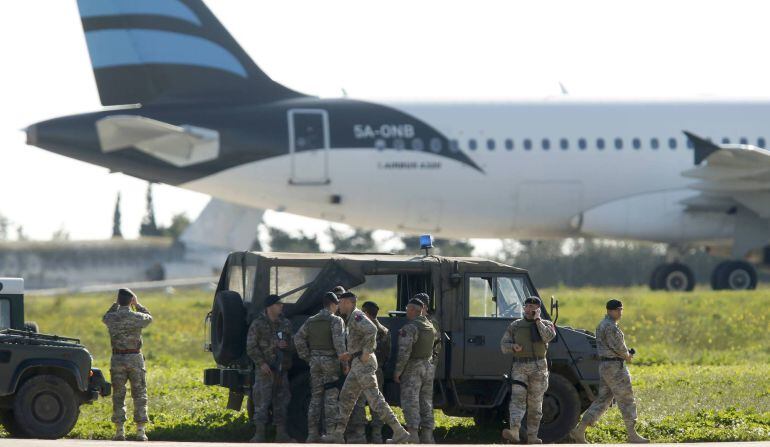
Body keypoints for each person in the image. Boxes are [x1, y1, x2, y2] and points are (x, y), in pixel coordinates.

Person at [321, 291, 411, 444]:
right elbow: (360, 340)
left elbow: (372, 329)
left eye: (341, 303)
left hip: (364, 365)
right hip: (357, 364)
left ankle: (399, 431)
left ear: (349, 303)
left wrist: (366, 353)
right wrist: (351, 354)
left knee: (375, 399)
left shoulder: (357, 316)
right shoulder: (350, 319)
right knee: (346, 397)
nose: (339, 306)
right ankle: (338, 434)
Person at [571, 299, 649, 444]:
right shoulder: (610, 327)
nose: (620, 312)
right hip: (615, 367)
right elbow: (618, 348)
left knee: (602, 400)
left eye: (621, 309)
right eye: (617, 310)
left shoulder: (603, 325)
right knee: (626, 399)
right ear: (609, 311)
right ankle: (632, 434)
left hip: (606, 366)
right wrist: (627, 355)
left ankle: (580, 430)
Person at [500, 296, 556, 444]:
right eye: (528, 306)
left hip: (539, 368)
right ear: (524, 307)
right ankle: (515, 431)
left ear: (538, 308)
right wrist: (513, 346)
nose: (531, 308)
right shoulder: (516, 325)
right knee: (517, 399)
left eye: (534, 306)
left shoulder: (547, 324)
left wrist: (538, 321)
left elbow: (548, 337)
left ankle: (532, 437)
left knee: (536, 403)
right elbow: (503, 345)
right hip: (520, 367)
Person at [294, 292, 347, 442]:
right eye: (337, 304)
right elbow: (339, 344)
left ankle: (312, 434)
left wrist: (308, 357)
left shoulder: (311, 320)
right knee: (331, 397)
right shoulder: (336, 320)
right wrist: (344, 363)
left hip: (315, 362)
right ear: (332, 304)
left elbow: (298, 338)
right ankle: (330, 434)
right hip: (330, 362)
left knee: (315, 397)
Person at [102, 288, 153, 441]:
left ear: (119, 301)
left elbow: (104, 317)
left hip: (117, 358)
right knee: (139, 394)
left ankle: (119, 431)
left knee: (118, 394)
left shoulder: (112, 317)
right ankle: (140, 431)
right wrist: (137, 305)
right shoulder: (137, 317)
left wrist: (115, 305)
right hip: (135, 358)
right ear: (131, 300)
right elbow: (149, 318)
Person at [245, 294, 295, 443]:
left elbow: (293, 344)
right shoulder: (258, 324)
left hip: (281, 370)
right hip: (265, 371)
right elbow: (251, 346)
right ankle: (259, 435)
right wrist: (261, 363)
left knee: (282, 402)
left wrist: (287, 346)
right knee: (262, 402)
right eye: (278, 304)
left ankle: (281, 435)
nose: (281, 306)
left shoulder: (285, 323)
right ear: (270, 306)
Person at [394, 297, 438, 444]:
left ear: (413, 310)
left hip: (413, 367)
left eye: (407, 308)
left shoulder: (410, 328)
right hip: (428, 366)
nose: (406, 311)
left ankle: (413, 435)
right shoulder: (430, 326)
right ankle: (427, 436)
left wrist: (398, 371)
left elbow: (404, 352)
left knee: (410, 400)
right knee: (426, 401)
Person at [352, 300, 391, 443]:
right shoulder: (385, 331)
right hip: (377, 371)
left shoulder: (362, 330)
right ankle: (377, 436)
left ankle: (360, 436)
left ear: (366, 313)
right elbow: (387, 354)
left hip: (362, 370)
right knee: (377, 402)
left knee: (359, 402)